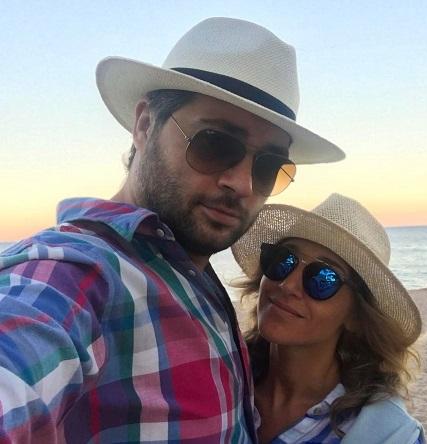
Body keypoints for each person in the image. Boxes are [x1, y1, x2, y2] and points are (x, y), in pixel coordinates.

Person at [0, 18, 345, 443]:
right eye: (215, 143)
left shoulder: (189, 273)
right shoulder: (78, 272)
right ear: (145, 125)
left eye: (268, 166)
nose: (242, 184)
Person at [231, 193, 426, 443]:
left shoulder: (385, 434)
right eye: (283, 260)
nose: (288, 285)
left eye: (323, 278)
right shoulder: (221, 376)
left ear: (356, 316)